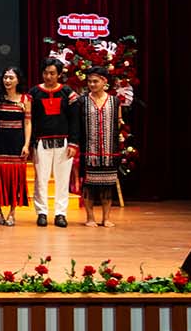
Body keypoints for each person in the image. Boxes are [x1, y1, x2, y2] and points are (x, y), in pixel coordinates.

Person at [69, 67, 125, 226]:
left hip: (109, 151)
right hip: (89, 152)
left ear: (104, 81)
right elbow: (76, 125)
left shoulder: (114, 101)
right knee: (89, 186)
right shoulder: (82, 101)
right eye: (89, 82)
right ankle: (90, 218)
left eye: (95, 81)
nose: (92, 84)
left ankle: (106, 218)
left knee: (108, 185)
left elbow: (118, 124)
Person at [29, 60, 74, 227]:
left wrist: (74, 143)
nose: (48, 76)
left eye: (52, 73)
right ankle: (41, 212)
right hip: (41, 142)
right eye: (45, 73)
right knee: (41, 179)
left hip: (64, 142)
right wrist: (31, 143)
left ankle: (60, 213)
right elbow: (30, 120)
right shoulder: (34, 93)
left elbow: (75, 119)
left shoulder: (67, 92)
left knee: (63, 179)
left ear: (59, 74)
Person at [0, 67, 32, 226]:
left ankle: (12, 213)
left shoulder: (25, 99)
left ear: (18, 80)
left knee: (15, 178)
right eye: (5, 77)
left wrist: (26, 144)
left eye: (11, 78)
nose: (7, 80)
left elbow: (27, 123)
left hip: (17, 141)